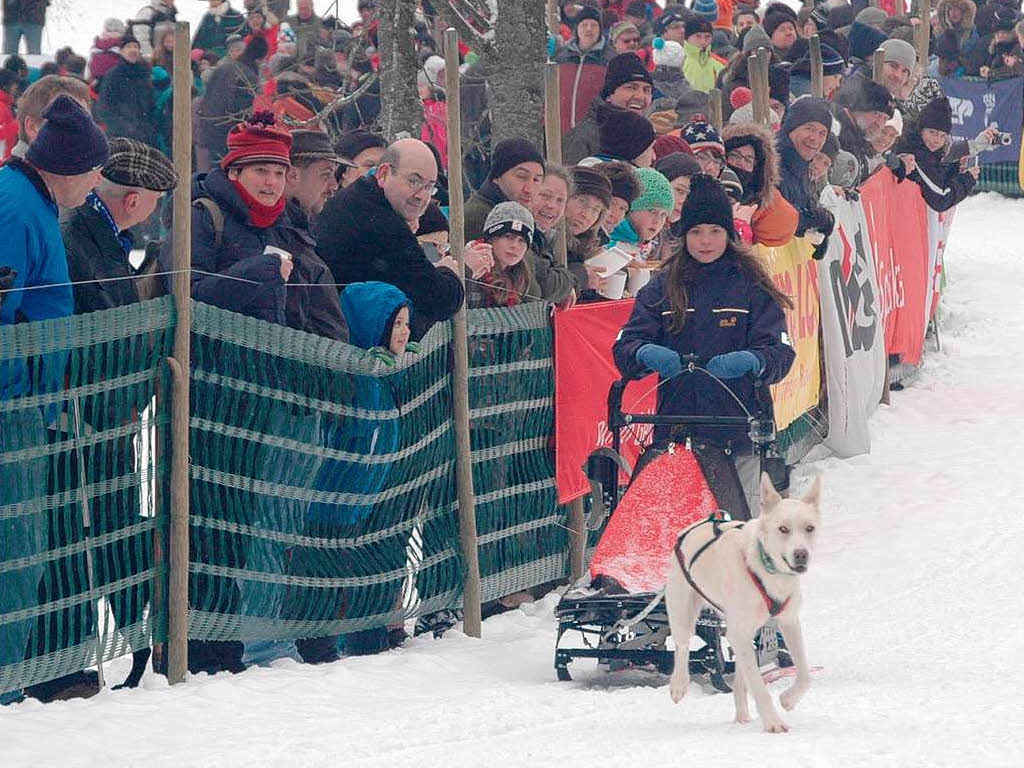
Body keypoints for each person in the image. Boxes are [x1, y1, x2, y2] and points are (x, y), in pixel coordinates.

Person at [0, 97, 108, 703]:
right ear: (67, 166)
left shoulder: (31, 202)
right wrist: (29, 375)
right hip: (10, 407)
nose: (96, 182)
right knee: (14, 558)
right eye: (93, 170)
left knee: (23, 556)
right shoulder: (14, 207)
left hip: (25, 406)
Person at [612, 174, 795, 516]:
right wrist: (644, 353)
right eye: (696, 232)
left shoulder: (751, 285)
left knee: (740, 531)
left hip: (740, 433)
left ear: (729, 234)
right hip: (678, 434)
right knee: (684, 532)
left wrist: (753, 360)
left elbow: (781, 353)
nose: (705, 241)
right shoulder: (663, 286)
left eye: (714, 231)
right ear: (684, 236)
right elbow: (626, 343)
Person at [315, 138, 465, 341]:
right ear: (384, 173)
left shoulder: (361, 198)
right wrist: (449, 271)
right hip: (351, 347)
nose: (422, 195)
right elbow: (440, 300)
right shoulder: (382, 224)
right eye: (414, 181)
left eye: (429, 186)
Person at [281, 130, 350, 341]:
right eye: (326, 174)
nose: (334, 186)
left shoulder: (301, 228)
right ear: (293, 175)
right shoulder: (280, 235)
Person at [562, 52, 654, 165]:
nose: (640, 96)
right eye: (631, 88)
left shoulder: (648, 135)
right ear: (609, 95)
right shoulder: (584, 137)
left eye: (646, 90)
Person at [894, 98, 980, 212]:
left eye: (943, 136)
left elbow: (933, 177)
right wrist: (967, 179)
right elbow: (941, 198)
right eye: (933, 133)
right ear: (921, 130)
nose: (937, 141)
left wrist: (955, 168)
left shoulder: (926, 151)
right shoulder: (916, 154)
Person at [722, 121, 799, 247]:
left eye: (748, 160)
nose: (741, 163)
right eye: (734, 156)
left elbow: (786, 223)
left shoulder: (764, 201)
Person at [776, 96, 835, 258]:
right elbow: (777, 217)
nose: (815, 138)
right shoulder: (772, 162)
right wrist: (813, 219)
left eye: (822, 133)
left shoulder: (801, 165)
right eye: (809, 128)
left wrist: (816, 231)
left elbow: (800, 205)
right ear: (792, 127)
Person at [200, 35, 268, 164]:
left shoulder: (224, 68)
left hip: (210, 128)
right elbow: (245, 110)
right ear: (259, 58)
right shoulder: (248, 76)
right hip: (230, 133)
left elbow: (207, 96)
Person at [464, 137, 546, 239]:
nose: (529, 189)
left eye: (536, 180)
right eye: (522, 177)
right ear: (497, 177)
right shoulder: (480, 218)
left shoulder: (521, 214)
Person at [465, 202, 540, 309]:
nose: (515, 245)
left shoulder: (521, 277)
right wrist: (466, 269)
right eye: (508, 236)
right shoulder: (474, 269)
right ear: (491, 239)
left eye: (522, 241)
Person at [527, 164, 577, 307]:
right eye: (545, 196)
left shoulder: (543, 235)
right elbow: (546, 282)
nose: (552, 205)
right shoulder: (517, 232)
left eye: (560, 200)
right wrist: (569, 283)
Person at [8, 75, 90, 160]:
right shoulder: (10, 172)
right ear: (32, 127)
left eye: (87, 123)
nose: (82, 133)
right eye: (68, 124)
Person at [555, 5, 609, 133]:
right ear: (577, 29)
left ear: (600, 29)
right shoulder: (561, 57)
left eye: (594, 25)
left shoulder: (609, 59)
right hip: (560, 130)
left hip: (595, 134)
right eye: (584, 24)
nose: (589, 29)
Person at [97, 35, 157, 146]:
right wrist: (124, 128)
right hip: (121, 135)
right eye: (129, 47)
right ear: (121, 51)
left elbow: (151, 103)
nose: (133, 50)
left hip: (146, 134)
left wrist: (151, 127)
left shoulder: (144, 73)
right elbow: (105, 107)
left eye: (136, 47)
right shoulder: (113, 75)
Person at [582, 106, 657, 167]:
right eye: (650, 149)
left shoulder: (583, 171)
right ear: (635, 150)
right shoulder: (630, 181)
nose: (654, 157)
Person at [682, 18, 727, 92]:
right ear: (687, 37)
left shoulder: (721, 63)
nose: (703, 41)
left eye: (707, 37)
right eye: (698, 36)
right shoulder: (678, 61)